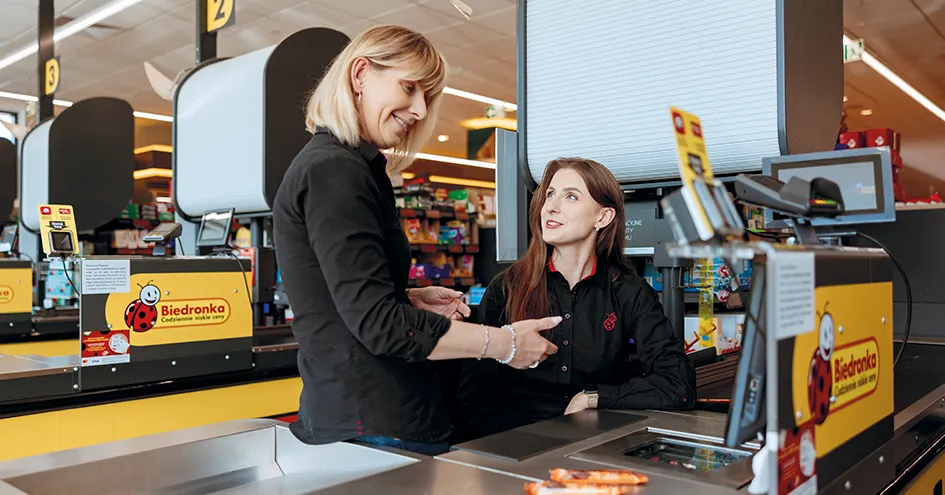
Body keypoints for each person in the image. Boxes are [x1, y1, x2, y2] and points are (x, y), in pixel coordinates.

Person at [271, 25, 560, 456]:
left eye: (428, 97)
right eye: (409, 88)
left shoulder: (354, 167)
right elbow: (378, 325)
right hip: (374, 422)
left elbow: (348, 299)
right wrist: (504, 343)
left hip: (368, 417)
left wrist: (407, 297)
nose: (421, 110)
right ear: (360, 74)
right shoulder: (335, 171)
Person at [459, 158, 697, 438]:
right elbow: (474, 391)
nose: (551, 206)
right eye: (550, 194)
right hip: (512, 442)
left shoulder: (628, 292)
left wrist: (594, 397)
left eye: (570, 196)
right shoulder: (507, 287)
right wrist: (520, 442)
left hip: (594, 444)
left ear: (603, 217)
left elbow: (678, 385)